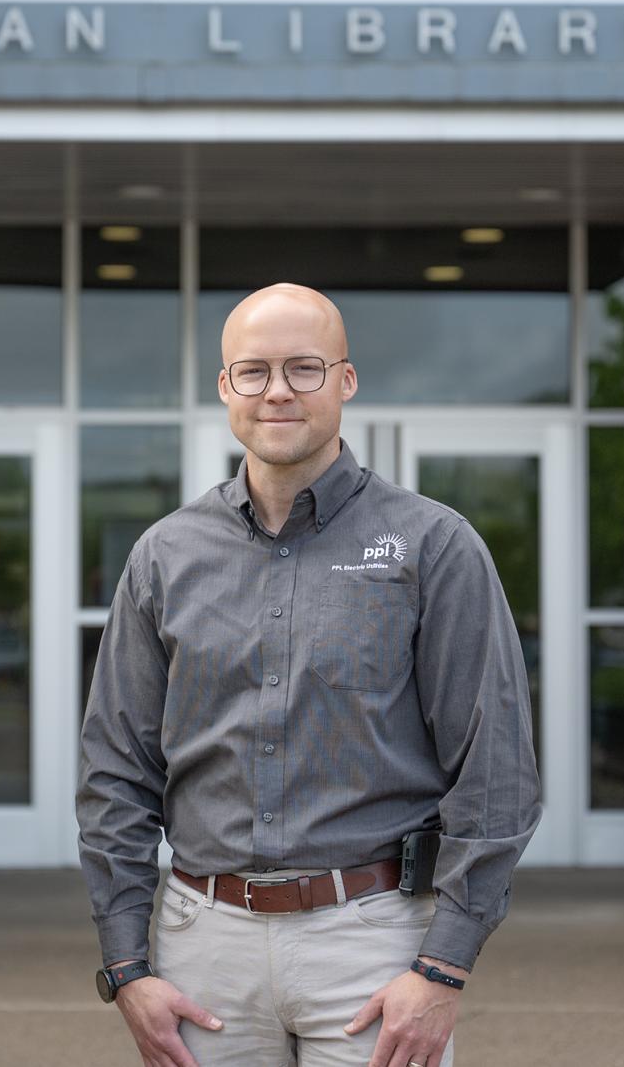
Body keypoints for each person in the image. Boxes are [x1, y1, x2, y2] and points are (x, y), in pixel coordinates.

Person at [77, 283, 541, 1067]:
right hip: (202, 947)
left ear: (346, 382)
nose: (279, 390)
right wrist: (127, 965)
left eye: (304, 367)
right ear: (225, 388)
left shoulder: (433, 546)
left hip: (373, 943)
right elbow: (117, 771)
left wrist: (444, 965)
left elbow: (496, 774)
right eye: (253, 371)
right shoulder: (164, 556)